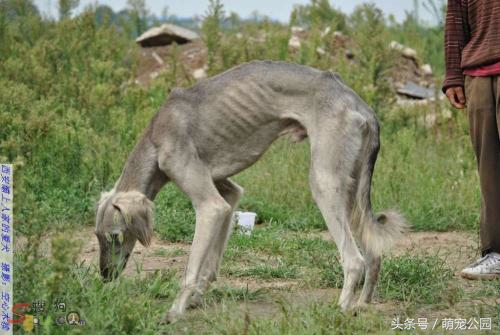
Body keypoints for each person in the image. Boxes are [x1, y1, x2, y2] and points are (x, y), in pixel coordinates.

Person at [443, 0, 500, 279]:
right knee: (489, 170)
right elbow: (455, 18)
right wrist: (453, 75)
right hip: (478, 73)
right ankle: (495, 254)